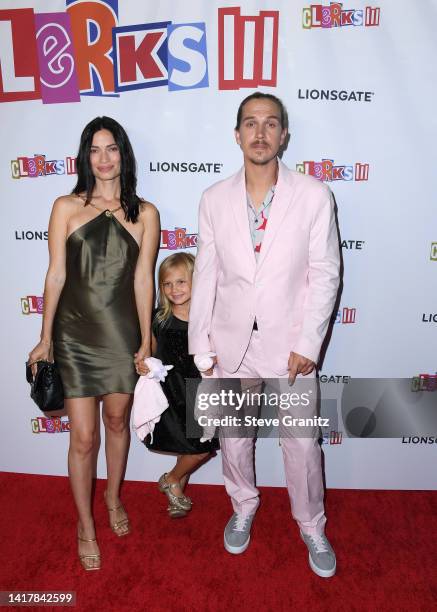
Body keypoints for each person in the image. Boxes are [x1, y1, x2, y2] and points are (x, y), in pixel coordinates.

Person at [188, 93, 340, 578]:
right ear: (237, 135)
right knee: (234, 438)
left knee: (300, 442)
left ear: (283, 134)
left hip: (291, 348)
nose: (259, 133)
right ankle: (243, 505)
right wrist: (200, 344)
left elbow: (326, 274)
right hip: (231, 345)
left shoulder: (315, 195)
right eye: (250, 124)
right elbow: (206, 275)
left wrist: (309, 344)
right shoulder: (213, 199)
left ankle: (311, 523)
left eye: (270, 124)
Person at [28, 116, 160, 571]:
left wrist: (146, 339)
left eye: (112, 148)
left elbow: (144, 281)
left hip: (121, 334)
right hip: (74, 334)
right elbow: (57, 274)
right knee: (84, 438)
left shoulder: (145, 213)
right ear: (85, 156)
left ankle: (112, 496)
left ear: (124, 153)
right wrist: (45, 338)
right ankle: (85, 525)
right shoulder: (66, 206)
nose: (104, 159)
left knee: (118, 422)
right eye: (95, 149)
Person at [141, 253, 219, 517]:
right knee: (190, 446)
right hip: (170, 394)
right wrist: (141, 364)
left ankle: (171, 479)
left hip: (200, 394)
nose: (174, 289)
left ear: (198, 281)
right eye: (167, 284)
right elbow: (147, 354)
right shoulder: (158, 319)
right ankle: (176, 490)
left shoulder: (209, 319)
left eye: (181, 282)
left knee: (201, 449)